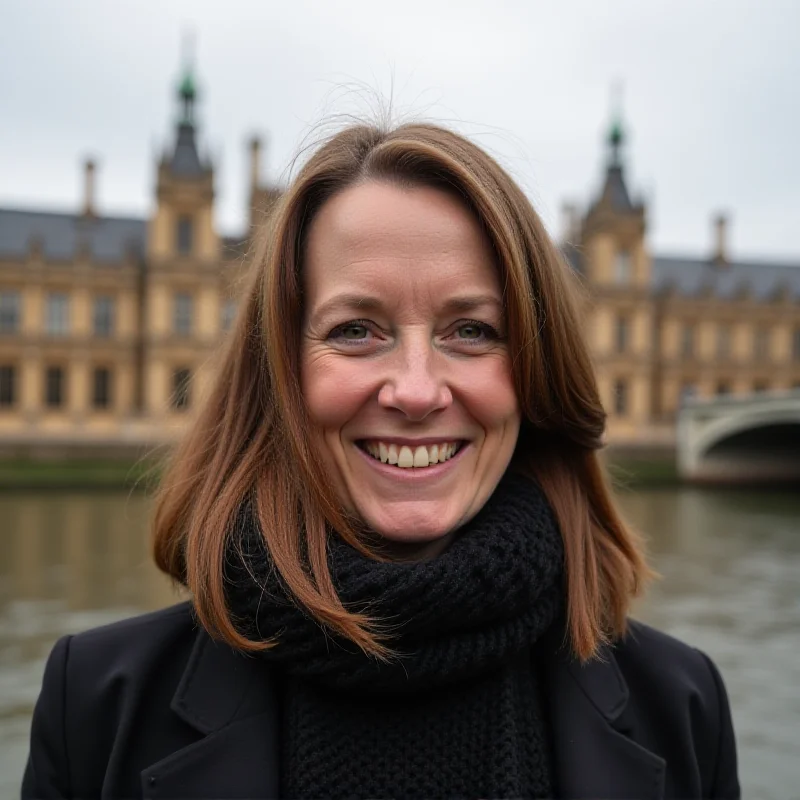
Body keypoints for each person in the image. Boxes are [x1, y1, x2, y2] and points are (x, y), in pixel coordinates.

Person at [22, 122, 739, 800]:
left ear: (538, 373)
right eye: (357, 329)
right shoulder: (94, 704)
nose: (418, 390)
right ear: (277, 373)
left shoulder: (684, 705)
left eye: (473, 329)